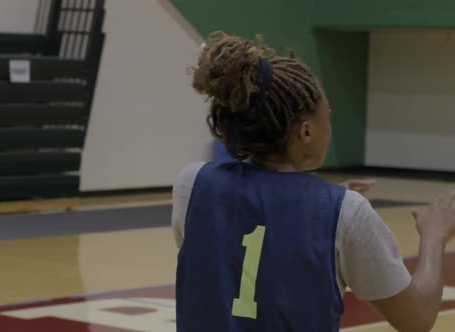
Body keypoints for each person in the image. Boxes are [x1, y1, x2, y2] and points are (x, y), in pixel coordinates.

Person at [172, 31, 455, 332]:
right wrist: (434, 235)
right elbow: (419, 319)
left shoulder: (192, 184)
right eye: (328, 116)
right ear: (306, 131)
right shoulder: (346, 213)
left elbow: (241, 233)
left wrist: (320, 209)